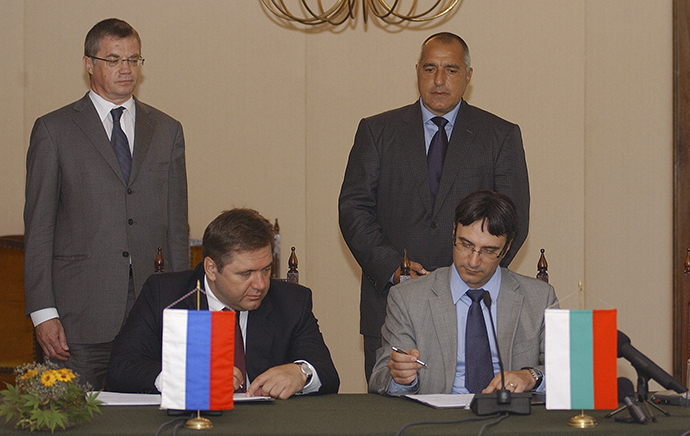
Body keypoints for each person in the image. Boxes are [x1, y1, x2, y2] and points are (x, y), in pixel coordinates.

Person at [338, 32, 531, 381]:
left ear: (468, 76)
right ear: (417, 72)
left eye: (451, 70)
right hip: (391, 300)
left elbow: (513, 219)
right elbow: (354, 209)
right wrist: (394, 269)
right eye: (430, 69)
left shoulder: (499, 135)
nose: (439, 80)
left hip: (473, 303)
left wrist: (469, 276)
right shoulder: (377, 131)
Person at [23, 18, 188, 389]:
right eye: (113, 59)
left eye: (133, 59)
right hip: (78, 317)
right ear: (88, 64)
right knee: (76, 420)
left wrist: (181, 309)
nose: (126, 69)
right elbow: (39, 229)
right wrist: (43, 313)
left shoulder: (166, 129)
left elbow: (177, 226)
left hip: (151, 315)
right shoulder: (54, 130)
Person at [107, 208, 340, 399]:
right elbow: (121, 368)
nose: (260, 284)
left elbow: (327, 373)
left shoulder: (291, 301)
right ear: (211, 269)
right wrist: (185, 377)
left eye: (266, 270)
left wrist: (301, 373)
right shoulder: (165, 295)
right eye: (245, 273)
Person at [369, 191, 557, 395]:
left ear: (506, 248)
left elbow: (566, 372)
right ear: (453, 233)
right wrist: (401, 378)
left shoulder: (539, 299)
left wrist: (531, 376)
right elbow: (379, 380)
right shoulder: (408, 299)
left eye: (488, 251)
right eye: (466, 245)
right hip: (436, 421)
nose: (473, 261)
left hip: (509, 418)